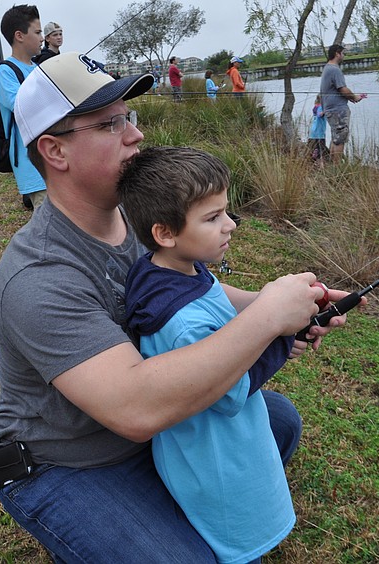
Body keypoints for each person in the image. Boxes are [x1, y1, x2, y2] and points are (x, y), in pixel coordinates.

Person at [0, 51, 354, 561]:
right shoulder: (38, 277)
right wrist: (267, 318)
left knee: (280, 420)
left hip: (153, 431)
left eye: (129, 117)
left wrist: (288, 305)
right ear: (54, 151)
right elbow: (136, 407)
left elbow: (196, 293)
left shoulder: (134, 222)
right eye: (110, 124)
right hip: (66, 460)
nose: (134, 135)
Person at [119, 145, 297, 563]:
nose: (230, 225)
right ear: (166, 232)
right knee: (235, 545)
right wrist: (280, 333)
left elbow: (221, 308)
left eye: (226, 212)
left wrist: (294, 314)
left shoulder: (170, 269)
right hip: (219, 461)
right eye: (213, 217)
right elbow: (231, 393)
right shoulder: (183, 322)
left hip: (200, 449)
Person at [0, 4, 47, 209]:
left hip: (49, 157)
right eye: (37, 32)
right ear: (19, 35)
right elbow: (22, 106)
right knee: (47, 218)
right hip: (30, 161)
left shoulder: (37, 68)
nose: (42, 37)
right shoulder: (6, 71)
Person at [319, 44, 365, 162]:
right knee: (340, 138)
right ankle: (337, 168)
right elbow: (342, 89)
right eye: (342, 53)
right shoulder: (335, 69)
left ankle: (333, 167)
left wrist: (350, 98)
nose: (343, 56)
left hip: (331, 109)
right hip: (338, 110)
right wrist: (354, 97)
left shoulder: (327, 68)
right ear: (337, 54)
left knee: (336, 138)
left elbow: (327, 91)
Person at [307, 95, 329, 163]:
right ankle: (320, 164)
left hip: (313, 132)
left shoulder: (315, 107)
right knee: (321, 150)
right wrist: (326, 111)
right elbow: (320, 115)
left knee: (315, 147)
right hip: (319, 132)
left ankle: (314, 156)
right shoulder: (321, 107)